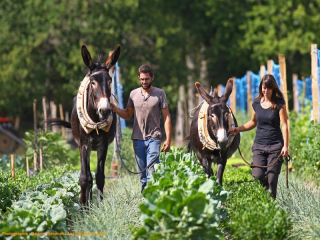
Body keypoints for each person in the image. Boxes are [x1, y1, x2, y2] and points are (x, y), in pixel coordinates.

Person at [110, 64, 172, 193]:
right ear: (139, 78)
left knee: (152, 171)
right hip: (138, 139)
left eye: (147, 79)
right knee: (142, 176)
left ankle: (153, 199)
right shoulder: (133, 94)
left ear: (152, 78)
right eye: (142, 79)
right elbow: (127, 115)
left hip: (154, 138)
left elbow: (166, 118)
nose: (144, 82)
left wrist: (168, 139)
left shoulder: (160, 94)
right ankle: (145, 198)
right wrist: (116, 109)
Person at [230, 74, 288, 199]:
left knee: (272, 178)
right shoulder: (256, 102)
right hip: (259, 146)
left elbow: (284, 125)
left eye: (268, 88)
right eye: (263, 87)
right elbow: (253, 122)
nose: (265, 91)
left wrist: (286, 146)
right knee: (257, 176)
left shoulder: (279, 103)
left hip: (275, 146)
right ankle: (264, 196)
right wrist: (237, 129)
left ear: (273, 88)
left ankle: (270, 204)